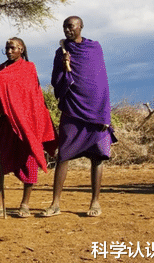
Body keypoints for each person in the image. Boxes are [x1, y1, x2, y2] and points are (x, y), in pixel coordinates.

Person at [41, 16, 117, 217]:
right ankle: (55, 204)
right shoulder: (61, 52)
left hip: (96, 111)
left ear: (81, 27)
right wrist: (65, 68)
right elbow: (56, 82)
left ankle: (95, 203)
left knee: (97, 156)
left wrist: (105, 114)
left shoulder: (94, 49)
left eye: (71, 26)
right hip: (73, 110)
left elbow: (101, 82)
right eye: (65, 27)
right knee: (63, 155)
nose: (67, 30)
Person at [0, 37, 56, 219]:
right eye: (7, 48)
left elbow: (34, 96)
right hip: (8, 123)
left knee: (29, 162)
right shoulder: (2, 68)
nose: (9, 51)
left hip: (27, 123)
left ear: (21, 49)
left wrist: (34, 120)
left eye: (12, 48)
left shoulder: (29, 68)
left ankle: (25, 204)